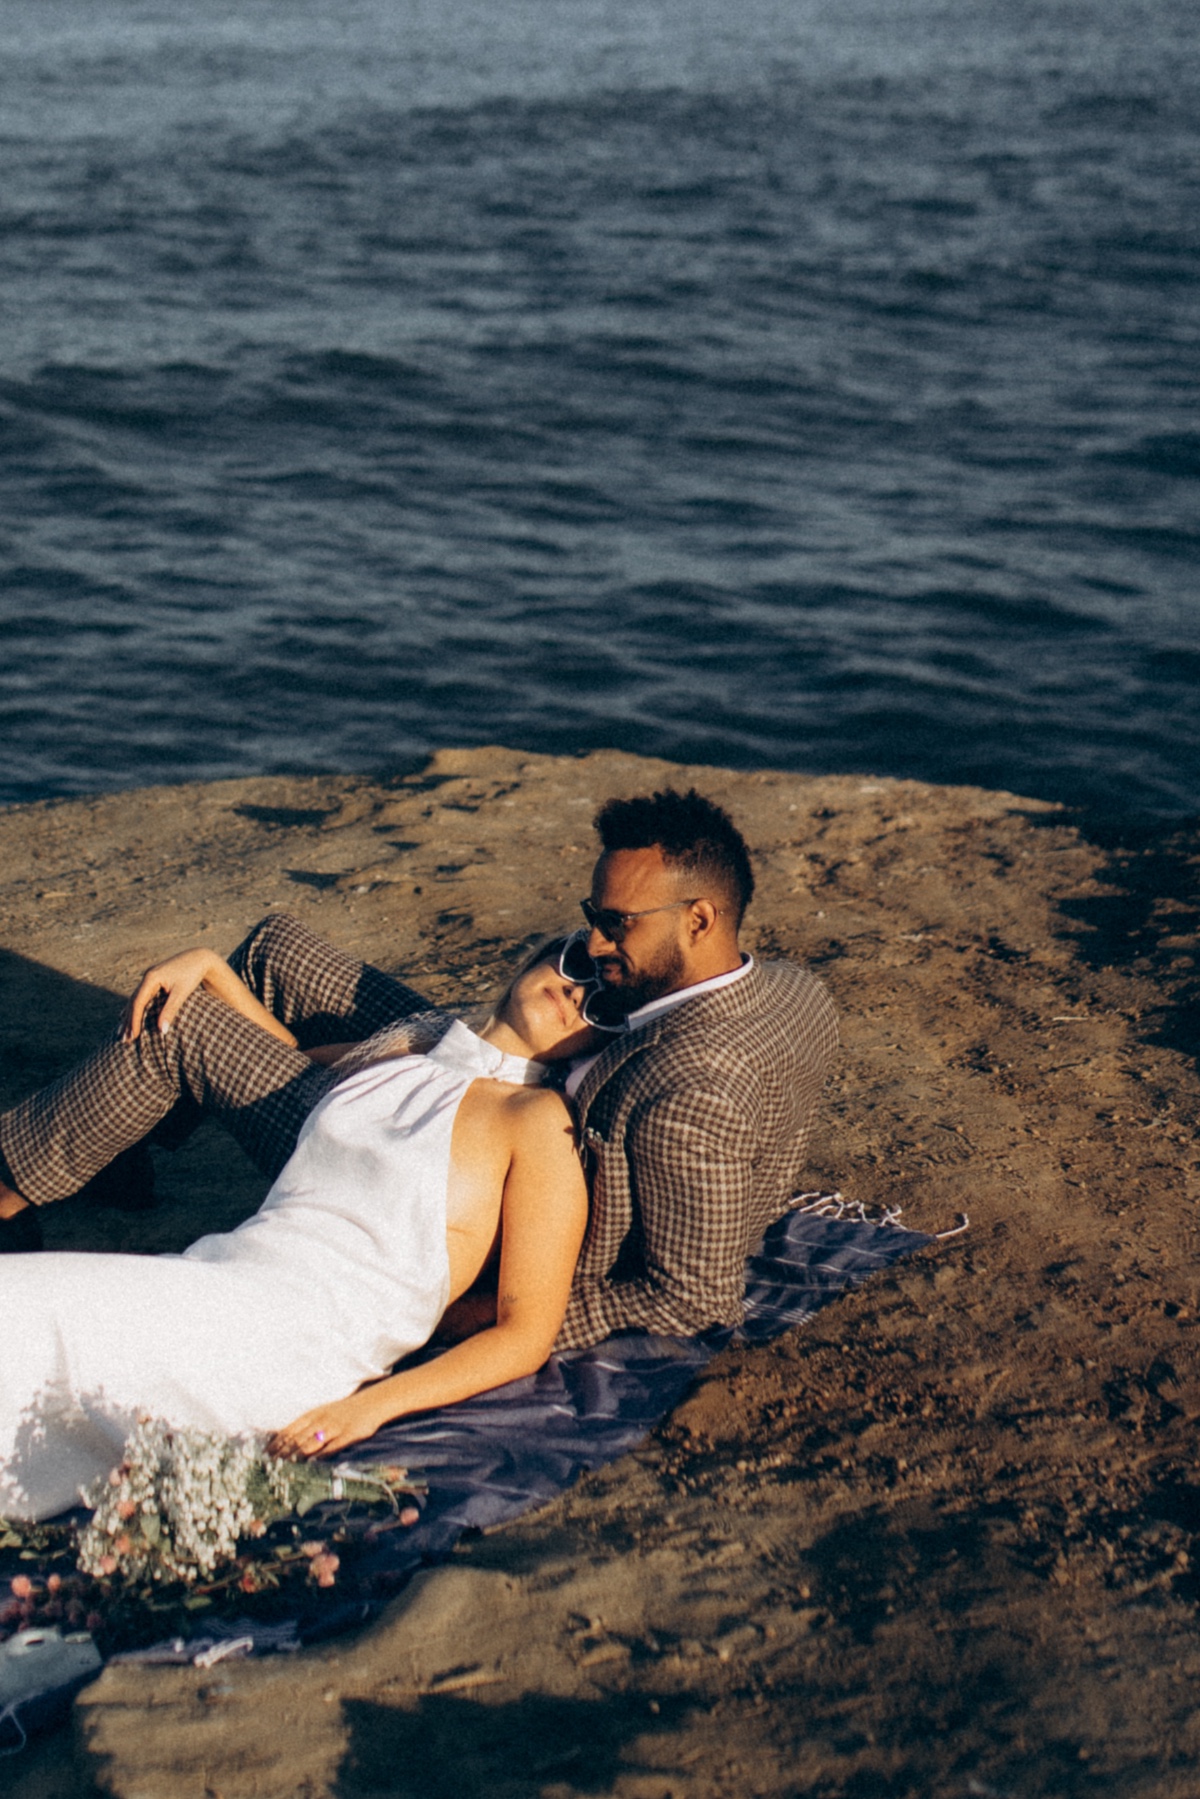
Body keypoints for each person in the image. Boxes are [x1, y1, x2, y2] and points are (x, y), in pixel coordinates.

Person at [0, 785, 837, 1347]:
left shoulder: (699, 1092)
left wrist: (449, 1314)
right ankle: (109, 1140)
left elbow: (691, 1301)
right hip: (485, 1075)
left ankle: (9, 1179)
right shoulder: (788, 988)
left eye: (615, 923)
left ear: (698, 918)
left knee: (186, 1029)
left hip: (434, 1180)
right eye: (592, 914)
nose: (592, 941)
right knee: (276, 952)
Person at [0, 939, 606, 1521]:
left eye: (602, 1003)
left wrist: (368, 1410)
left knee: (28, 1313)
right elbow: (283, 1058)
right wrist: (210, 966)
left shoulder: (537, 1123)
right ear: (541, 954)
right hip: (224, 1271)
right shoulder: (411, 1054)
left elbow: (525, 1334)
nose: (578, 992)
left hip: (298, 1339)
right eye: (579, 962)